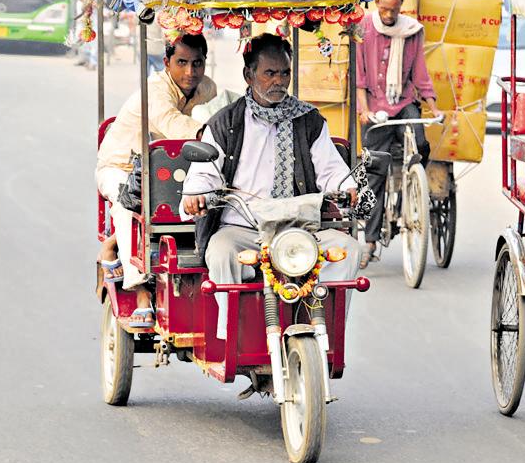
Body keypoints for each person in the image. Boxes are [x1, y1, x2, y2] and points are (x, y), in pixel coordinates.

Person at [180, 33, 361, 341]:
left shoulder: (310, 120)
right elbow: (205, 172)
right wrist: (196, 194)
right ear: (249, 76)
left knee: (348, 249)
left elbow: (331, 168)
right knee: (222, 252)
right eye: (270, 73)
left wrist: (348, 188)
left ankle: (326, 330)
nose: (279, 81)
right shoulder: (225, 122)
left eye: (285, 73)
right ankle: (231, 336)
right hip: (244, 229)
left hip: (301, 229)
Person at [96, 33, 217, 326]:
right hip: (121, 167)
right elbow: (175, 126)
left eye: (197, 63)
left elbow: (222, 114)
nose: (191, 72)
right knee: (130, 205)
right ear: (166, 63)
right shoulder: (155, 91)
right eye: (182, 63)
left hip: (168, 166)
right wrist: (217, 136)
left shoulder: (207, 88)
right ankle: (140, 292)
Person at [356, 0, 440, 268]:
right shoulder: (364, 27)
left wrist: (432, 106)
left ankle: (412, 188)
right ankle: (369, 241)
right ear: (377, 5)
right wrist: (364, 110)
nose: (388, 16)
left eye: (393, 11)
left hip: (403, 102)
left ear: (400, 7)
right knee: (374, 173)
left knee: (422, 144)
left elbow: (420, 72)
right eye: (384, 10)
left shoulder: (411, 31)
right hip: (375, 107)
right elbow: (360, 76)